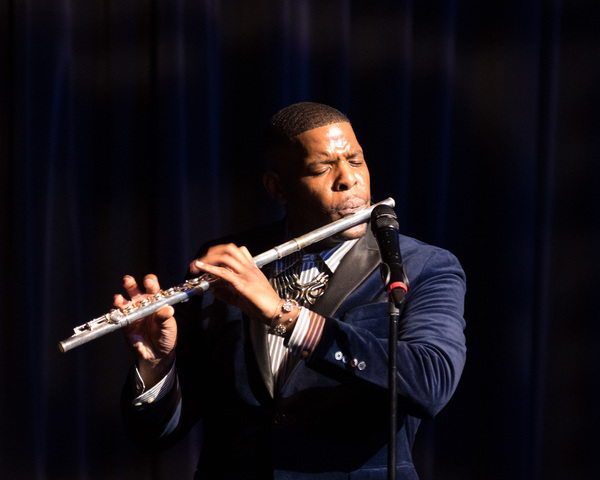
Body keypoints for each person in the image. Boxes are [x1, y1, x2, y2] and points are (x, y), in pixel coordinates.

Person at [115, 102, 467, 479]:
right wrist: (157, 367)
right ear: (277, 187)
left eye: (356, 160)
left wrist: (286, 316)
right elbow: (158, 435)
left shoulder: (423, 266)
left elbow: (431, 383)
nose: (348, 180)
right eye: (322, 167)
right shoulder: (229, 263)